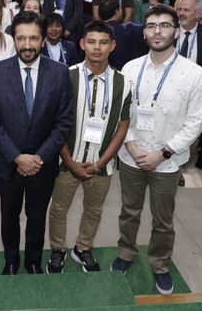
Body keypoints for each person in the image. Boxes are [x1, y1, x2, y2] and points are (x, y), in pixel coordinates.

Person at [112, 4, 202, 295]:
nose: (157, 31)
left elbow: (195, 123)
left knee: (163, 220)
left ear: (176, 31)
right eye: (152, 25)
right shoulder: (130, 68)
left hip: (166, 162)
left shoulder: (193, 74)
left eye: (164, 25)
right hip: (131, 155)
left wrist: (162, 153)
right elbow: (120, 111)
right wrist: (129, 144)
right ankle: (126, 252)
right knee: (129, 211)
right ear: (144, 32)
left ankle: (160, 264)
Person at [0, 11, 74, 275]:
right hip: (9, 165)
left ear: (43, 39)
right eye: (21, 38)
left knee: (36, 219)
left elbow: (63, 122)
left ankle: (33, 261)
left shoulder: (59, 73)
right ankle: (11, 261)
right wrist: (17, 157)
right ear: (14, 39)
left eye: (33, 38)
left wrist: (39, 158)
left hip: (42, 167)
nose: (27, 45)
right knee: (8, 218)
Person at [46, 20, 132, 274]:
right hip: (67, 162)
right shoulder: (66, 76)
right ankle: (58, 249)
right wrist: (70, 162)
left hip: (101, 165)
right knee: (59, 209)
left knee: (93, 210)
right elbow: (55, 123)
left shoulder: (124, 83)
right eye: (91, 42)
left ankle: (83, 248)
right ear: (82, 44)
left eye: (104, 42)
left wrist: (101, 162)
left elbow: (123, 126)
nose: (97, 48)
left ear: (112, 46)